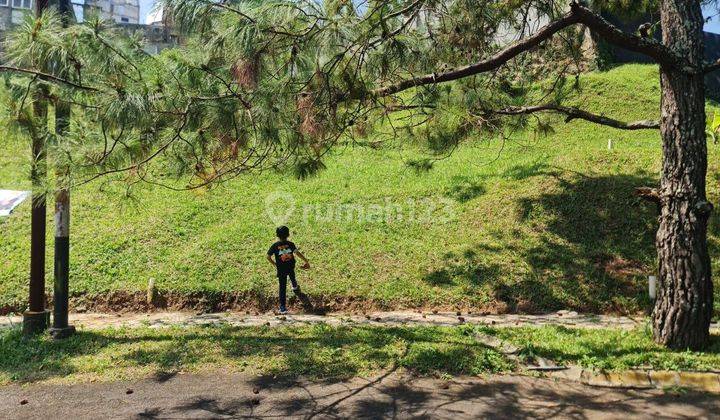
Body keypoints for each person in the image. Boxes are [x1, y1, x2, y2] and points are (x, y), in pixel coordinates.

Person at [266, 226, 310, 314]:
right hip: (290, 266)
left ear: (277, 235)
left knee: (282, 287)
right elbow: (297, 253)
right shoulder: (291, 244)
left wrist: (275, 264)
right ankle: (295, 287)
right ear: (288, 234)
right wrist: (306, 261)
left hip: (281, 269)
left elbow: (268, 257)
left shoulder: (274, 246)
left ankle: (282, 308)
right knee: (292, 275)